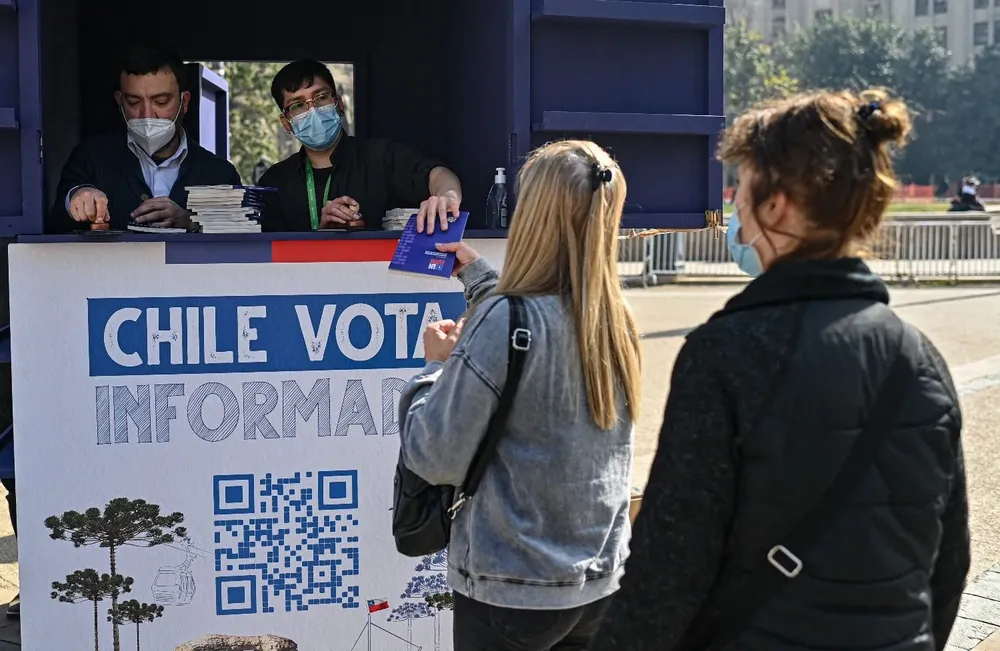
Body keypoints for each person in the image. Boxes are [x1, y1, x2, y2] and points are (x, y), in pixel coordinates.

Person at [590, 90, 970, 651]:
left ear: (777, 204)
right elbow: (948, 561)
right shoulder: (920, 360)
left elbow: (668, 573)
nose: (735, 200)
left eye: (742, 182)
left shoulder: (726, 353)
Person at [399, 140, 641, 650]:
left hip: (510, 591)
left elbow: (433, 454)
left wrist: (433, 369)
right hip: (597, 586)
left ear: (534, 215)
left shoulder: (505, 319)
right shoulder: (617, 321)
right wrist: (476, 276)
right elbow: (539, 327)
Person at [46, 46, 241, 233]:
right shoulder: (90, 158)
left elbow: (242, 240)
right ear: (119, 101)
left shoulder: (219, 174)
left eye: (161, 102)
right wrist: (77, 198)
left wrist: (192, 221)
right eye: (133, 102)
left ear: (185, 102)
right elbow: (54, 225)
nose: (147, 114)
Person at [258, 60, 462, 234]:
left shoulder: (381, 157)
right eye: (298, 105)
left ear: (339, 105)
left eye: (321, 97)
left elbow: (438, 174)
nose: (313, 110)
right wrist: (323, 234)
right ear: (286, 123)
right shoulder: (275, 182)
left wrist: (446, 197)